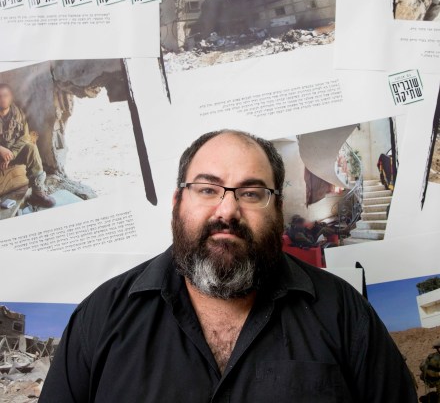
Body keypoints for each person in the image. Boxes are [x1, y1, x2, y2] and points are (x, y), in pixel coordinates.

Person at [39, 130, 417, 402]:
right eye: (207, 189)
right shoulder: (103, 316)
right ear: (177, 202)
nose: (227, 210)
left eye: (251, 193)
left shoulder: (343, 313)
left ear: (278, 208)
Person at [0, 84, 55, 208]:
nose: (2, 99)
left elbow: (24, 137)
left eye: (5, 95)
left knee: (31, 147)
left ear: (11, 97)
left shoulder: (18, 113)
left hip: (11, 154)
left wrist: (11, 154)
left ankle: (38, 193)